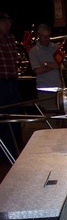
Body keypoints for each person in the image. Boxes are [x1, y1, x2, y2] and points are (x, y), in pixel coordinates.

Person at [0, 11, 21, 160]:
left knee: (13, 117)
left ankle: (12, 150)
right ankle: (3, 153)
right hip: (1, 83)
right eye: (4, 22)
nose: (8, 25)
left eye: (9, 23)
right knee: (2, 118)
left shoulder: (10, 38)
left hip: (12, 82)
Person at [28, 23, 62, 90]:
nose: (46, 39)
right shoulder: (33, 51)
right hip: (43, 89)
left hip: (58, 87)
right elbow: (38, 70)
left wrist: (46, 64)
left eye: (47, 36)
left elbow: (61, 65)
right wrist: (55, 65)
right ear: (39, 35)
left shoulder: (57, 48)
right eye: (43, 36)